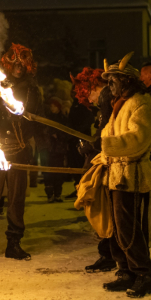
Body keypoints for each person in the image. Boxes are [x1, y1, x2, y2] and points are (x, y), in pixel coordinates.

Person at [0, 43, 45, 262]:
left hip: (19, 149)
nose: (18, 68)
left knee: (16, 200)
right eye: (15, 64)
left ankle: (13, 243)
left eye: (22, 65)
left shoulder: (33, 90)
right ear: (8, 64)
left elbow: (37, 120)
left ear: (28, 66)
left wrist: (25, 123)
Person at [100, 52, 151, 298]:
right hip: (116, 175)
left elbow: (139, 139)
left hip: (132, 177)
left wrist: (107, 146)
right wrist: (101, 155)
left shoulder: (141, 103)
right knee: (117, 229)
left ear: (126, 81)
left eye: (113, 81)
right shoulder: (119, 105)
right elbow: (111, 140)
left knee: (130, 229)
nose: (109, 86)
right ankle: (126, 271)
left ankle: (144, 273)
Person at [71, 67, 116, 272]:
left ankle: (111, 255)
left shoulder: (107, 97)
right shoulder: (105, 102)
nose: (89, 97)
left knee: (105, 211)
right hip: (104, 161)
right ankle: (109, 254)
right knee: (106, 212)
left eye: (89, 92)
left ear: (95, 86)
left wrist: (89, 146)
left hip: (108, 165)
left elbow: (105, 135)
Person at [40, 96, 68, 203]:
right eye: (51, 106)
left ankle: (57, 194)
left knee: (58, 173)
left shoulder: (63, 119)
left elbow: (67, 133)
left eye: (54, 106)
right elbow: (43, 131)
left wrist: (59, 136)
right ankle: (50, 195)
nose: (52, 108)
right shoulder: (47, 119)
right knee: (48, 174)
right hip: (48, 149)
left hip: (59, 150)